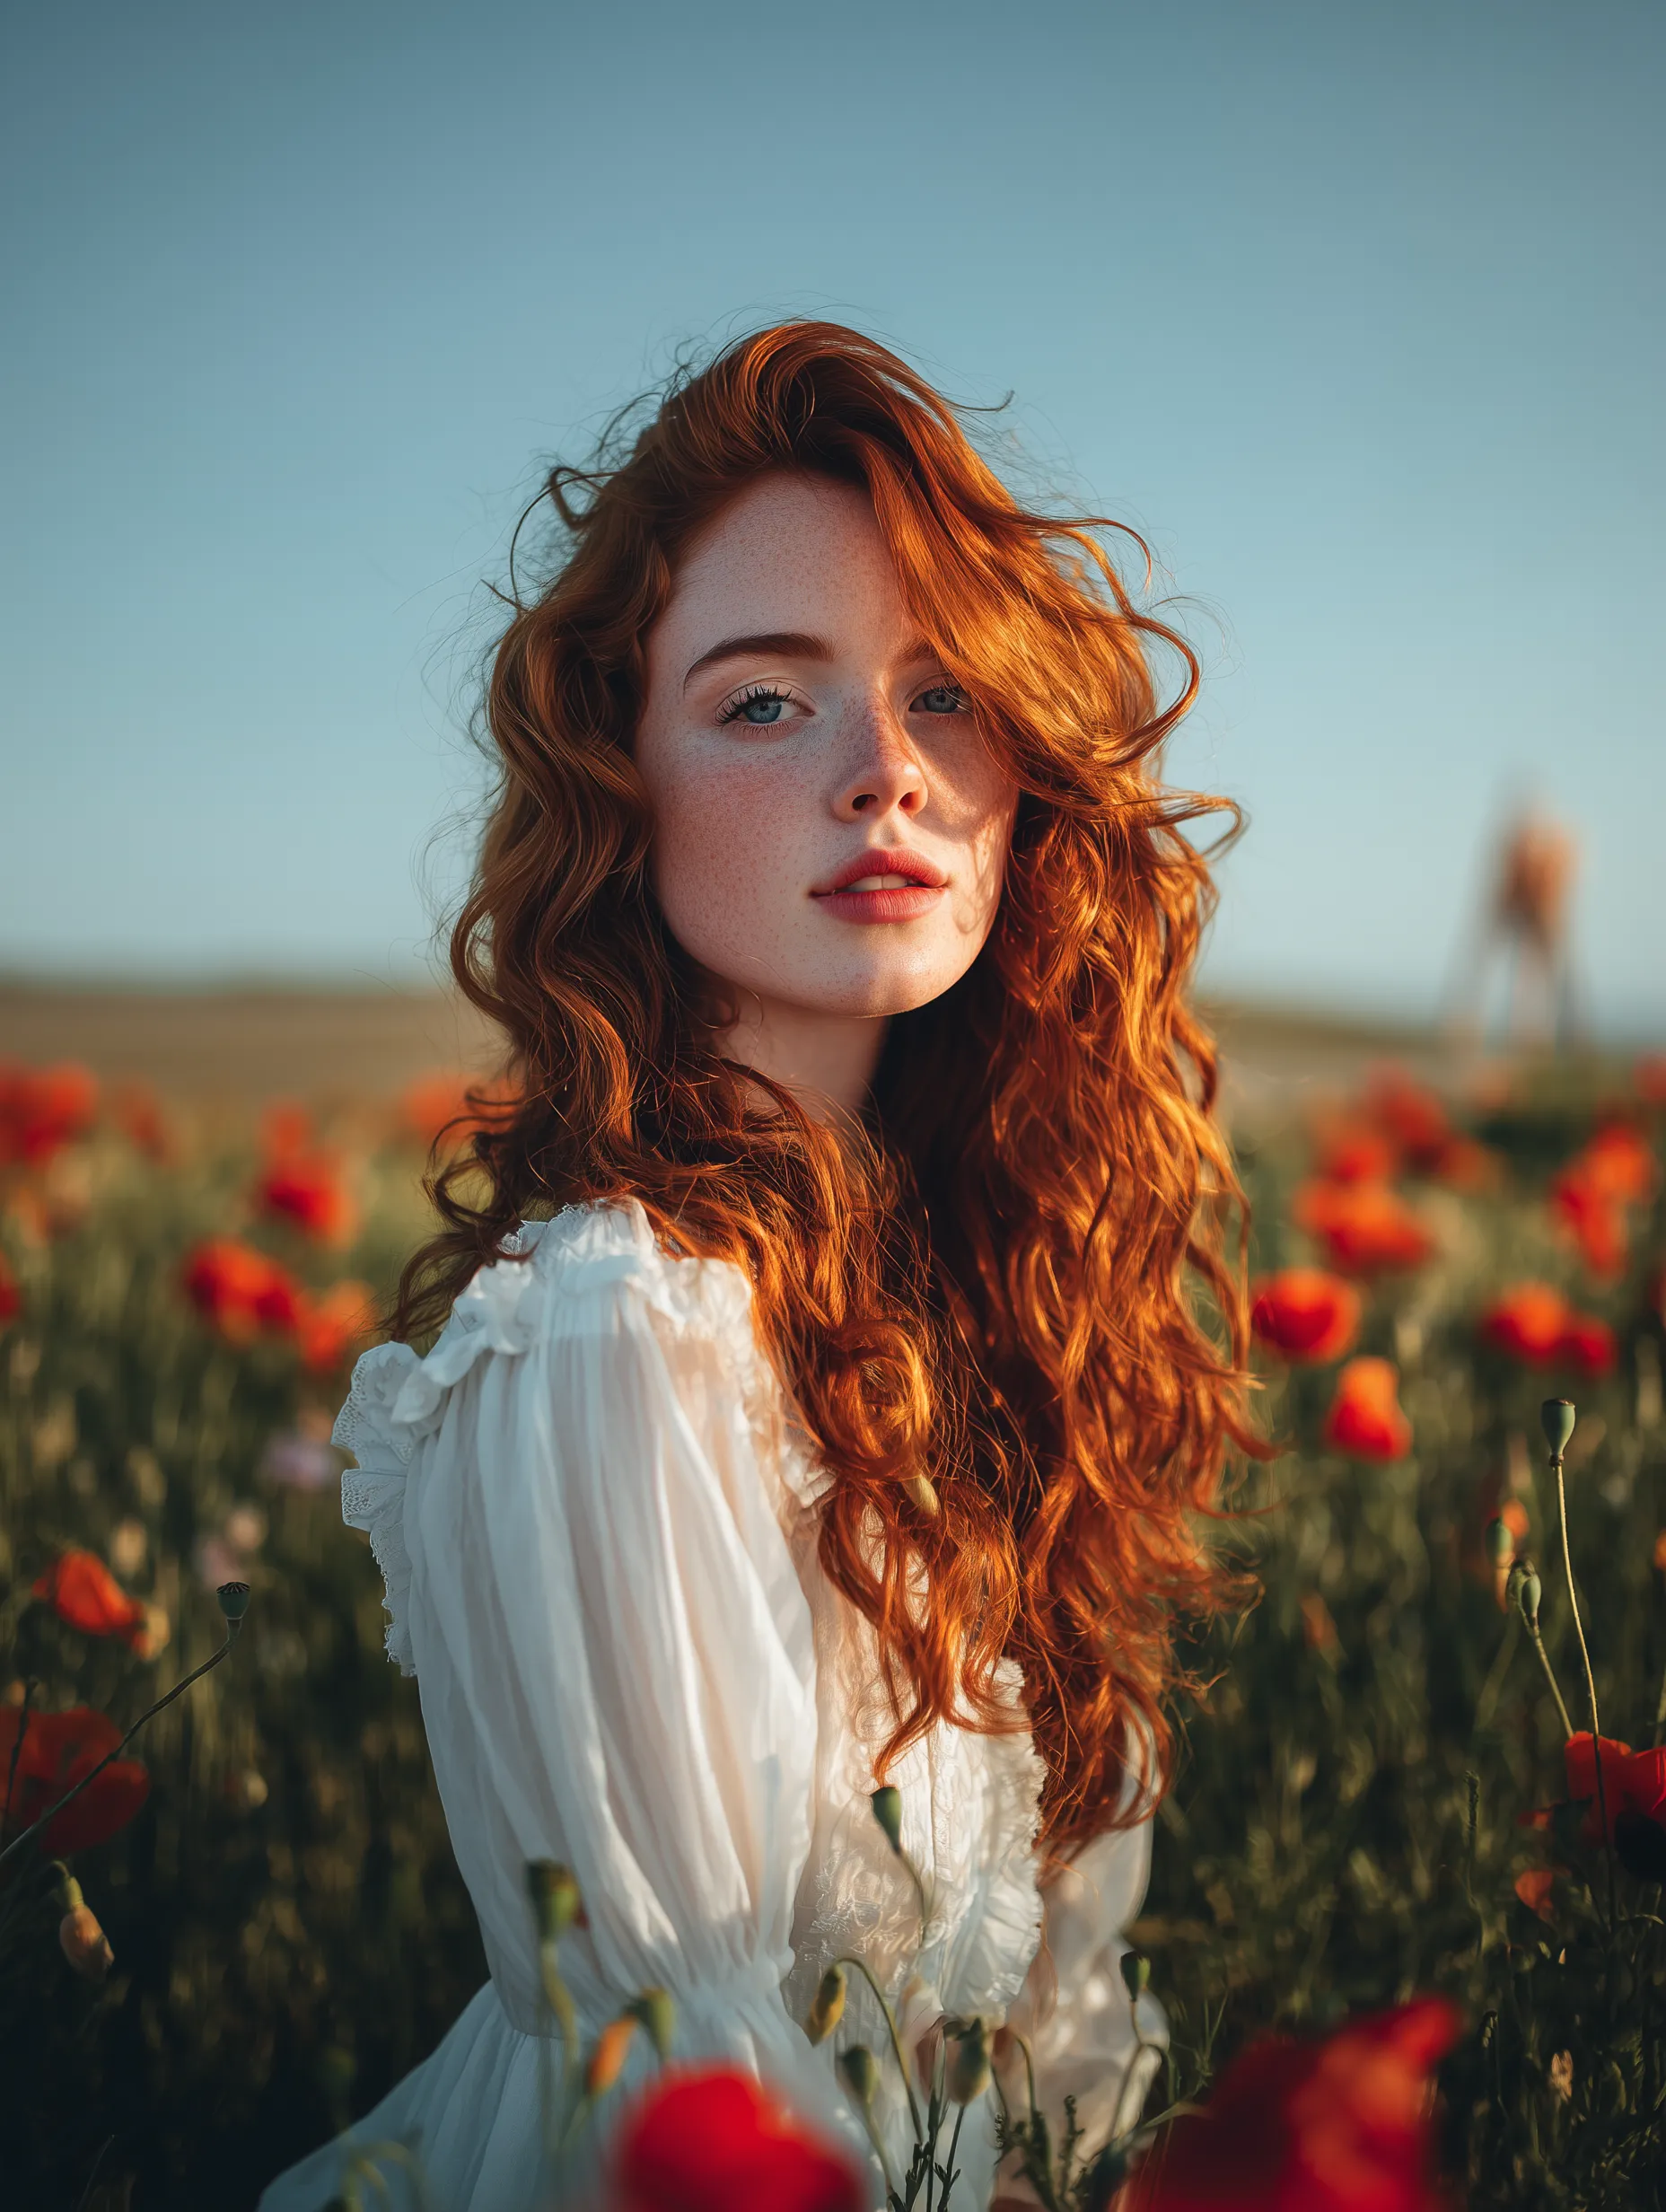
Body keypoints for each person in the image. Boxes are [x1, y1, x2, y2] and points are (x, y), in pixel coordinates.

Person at [257, 320, 1257, 2212]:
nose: (886, 772)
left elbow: (1032, 2029)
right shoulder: (612, 1332)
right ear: (617, 785)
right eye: (762, 703)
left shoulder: (974, 1288)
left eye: (947, 693)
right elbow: (694, 2083)